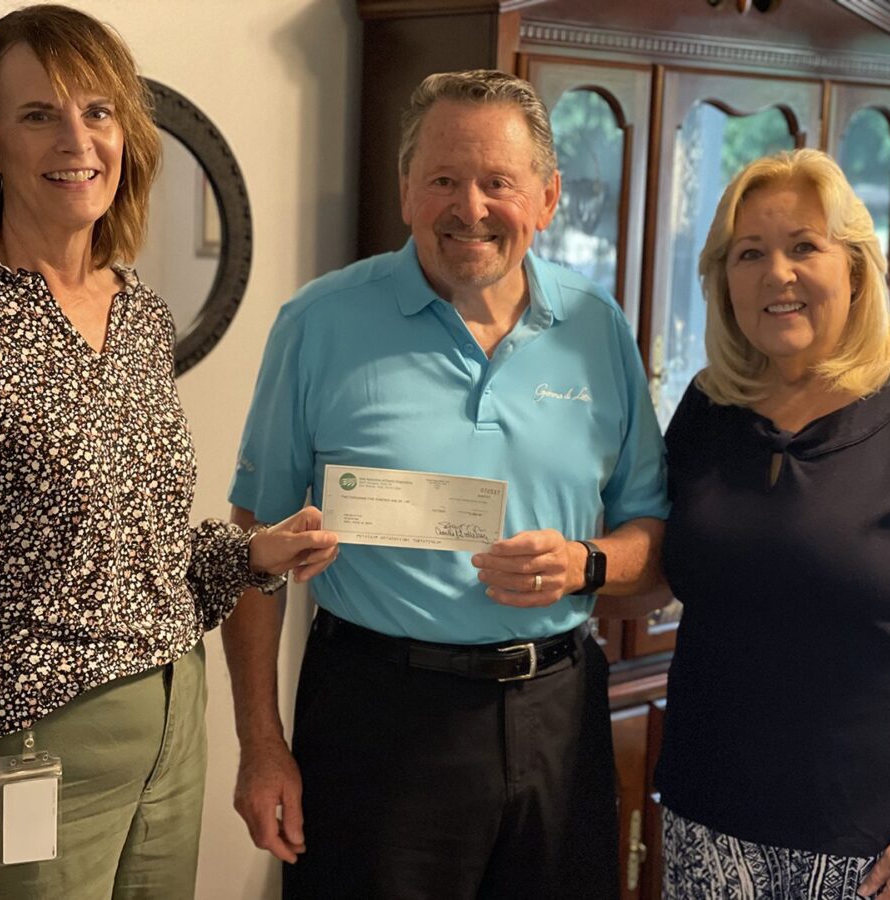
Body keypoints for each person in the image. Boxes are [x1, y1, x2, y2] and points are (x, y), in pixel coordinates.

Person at [0, 6, 337, 899]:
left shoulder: (140, 312)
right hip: (35, 748)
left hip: (175, 726)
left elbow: (126, 541)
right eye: (39, 114)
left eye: (98, 111)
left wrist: (249, 554)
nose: (77, 138)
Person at [224, 70, 669, 899]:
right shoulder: (317, 324)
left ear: (546, 197)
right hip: (375, 717)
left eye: (498, 182)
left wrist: (583, 564)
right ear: (405, 192)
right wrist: (261, 745)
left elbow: (654, 539)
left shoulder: (597, 330)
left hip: (559, 716)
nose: (470, 208)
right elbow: (250, 550)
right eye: (443, 180)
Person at [656, 148, 890, 900]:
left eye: (804, 247)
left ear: (856, 268)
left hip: (879, 852)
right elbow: (663, 570)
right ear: (722, 280)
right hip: (707, 828)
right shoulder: (710, 404)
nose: (777, 274)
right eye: (749, 253)